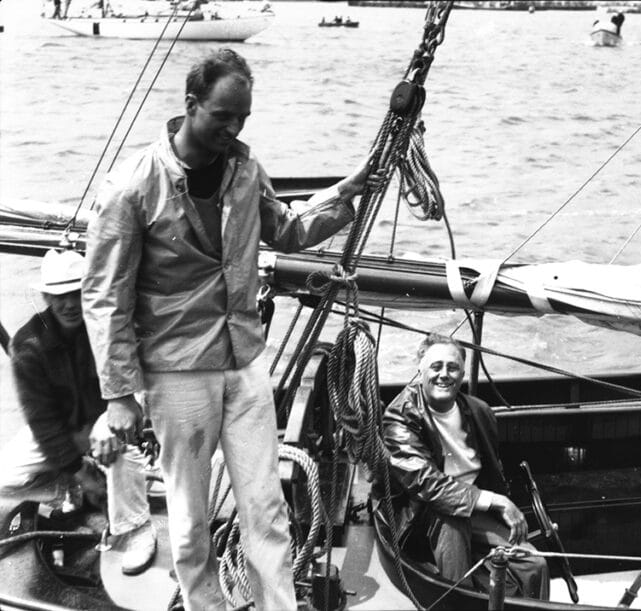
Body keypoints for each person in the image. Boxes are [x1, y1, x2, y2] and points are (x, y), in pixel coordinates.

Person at [82, 48, 383, 610]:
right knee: (192, 523)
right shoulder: (132, 186)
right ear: (191, 104)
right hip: (177, 375)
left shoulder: (245, 170)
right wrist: (120, 395)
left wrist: (350, 192)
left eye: (243, 116)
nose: (234, 127)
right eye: (223, 115)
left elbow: (288, 229)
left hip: (244, 365)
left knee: (267, 510)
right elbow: (104, 297)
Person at [0, 249, 157, 576]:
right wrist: (77, 471)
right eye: (59, 296)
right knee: (5, 478)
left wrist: (113, 420)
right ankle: (65, 490)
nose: (69, 304)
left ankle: (135, 528)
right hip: (64, 425)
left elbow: (140, 377)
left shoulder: (111, 324)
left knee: (117, 446)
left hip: (109, 415)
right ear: (45, 296)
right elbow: (42, 422)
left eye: (76, 293)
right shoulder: (28, 346)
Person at [382, 334, 550, 600]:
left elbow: (493, 473)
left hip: (474, 507)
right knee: (451, 522)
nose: (444, 375)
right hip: (422, 514)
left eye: (452, 367)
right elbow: (428, 486)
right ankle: (459, 599)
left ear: (462, 373)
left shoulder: (479, 410)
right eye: (436, 367)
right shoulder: (399, 418)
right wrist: (497, 502)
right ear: (420, 369)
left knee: (534, 566)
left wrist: (499, 507)